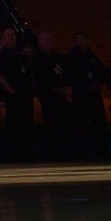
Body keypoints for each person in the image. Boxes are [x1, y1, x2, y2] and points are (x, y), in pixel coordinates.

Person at [0, 27, 34, 160]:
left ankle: (27, 151)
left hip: (25, 94)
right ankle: (12, 153)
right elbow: (0, 75)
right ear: (3, 38)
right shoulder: (1, 55)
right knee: (13, 123)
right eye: (7, 35)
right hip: (12, 96)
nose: (11, 37)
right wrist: (11, 91)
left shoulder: (21, 54)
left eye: (12, 34)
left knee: (27, 123)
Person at [62, 30, 107, 158]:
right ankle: (81, 152)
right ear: (75, 41)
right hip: (80, 95)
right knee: (80, 124)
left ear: (87, 40)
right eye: (78, 39)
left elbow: (101, 72)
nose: (81, 41)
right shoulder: (70, 57)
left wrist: (98, 82)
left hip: (94, 95)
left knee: (98, 122)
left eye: (83, 39)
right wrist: (85, 84)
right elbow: (69, 76)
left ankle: (101, 151)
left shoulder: (93, 56)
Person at [31, 31, 71, 159]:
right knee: (50, 124)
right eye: (44, 40)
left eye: (48, 40)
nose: (47, 42)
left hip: (61, 96)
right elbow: (40, 79)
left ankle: (62, 149)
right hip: (47, 97)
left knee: (62, 123)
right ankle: (51, 151)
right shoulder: (36, 59)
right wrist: (53, 89)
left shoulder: (57, 57)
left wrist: (65, 88)